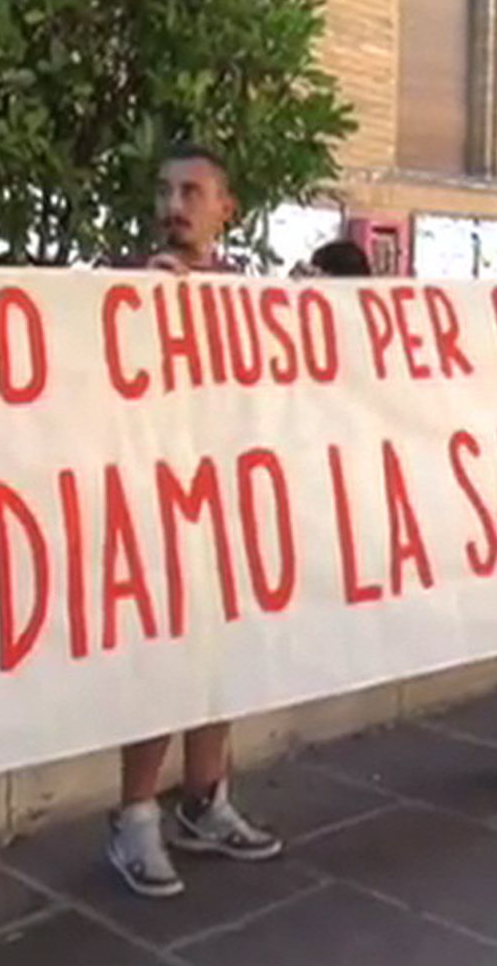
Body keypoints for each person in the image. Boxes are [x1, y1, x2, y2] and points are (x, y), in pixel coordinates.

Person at [107, 144, 282, 900]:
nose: (175, 204)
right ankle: (134, 815)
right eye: (165, 190)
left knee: (220, 661)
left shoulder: (247, 294)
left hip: (230, 508)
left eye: (192, 192)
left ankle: (205, 800)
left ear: (225, 209)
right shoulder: (121, 283)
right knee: (161, 667)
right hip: (151, 508)